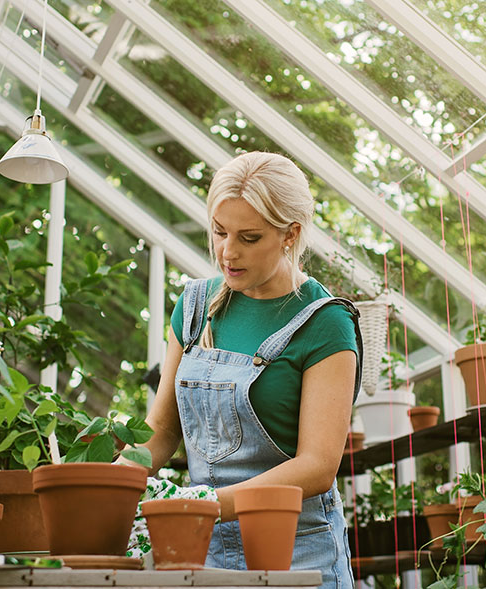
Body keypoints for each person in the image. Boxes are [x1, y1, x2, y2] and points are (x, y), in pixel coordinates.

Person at [137, 151, 361, 588]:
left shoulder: (324, 322)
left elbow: (317, 465)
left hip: (296, 555)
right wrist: (110, 479)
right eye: (220, 232)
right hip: (202, 552)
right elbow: (162, 431)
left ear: (289, 234)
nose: (228, 252)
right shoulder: (195, 309)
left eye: (250, 237)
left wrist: (200, 503)